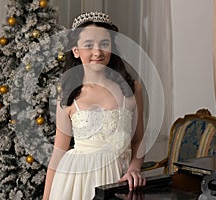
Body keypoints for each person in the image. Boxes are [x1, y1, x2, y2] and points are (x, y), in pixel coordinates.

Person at [43, 11, 146, 200]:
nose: (97, 52)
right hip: (76, 182)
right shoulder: (68, 96)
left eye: (104, 44)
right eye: (88, 45)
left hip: (119, 179)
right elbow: (58, 153)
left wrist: (134, 168)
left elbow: (138, 140)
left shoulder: (132, 90)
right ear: (76, 50)